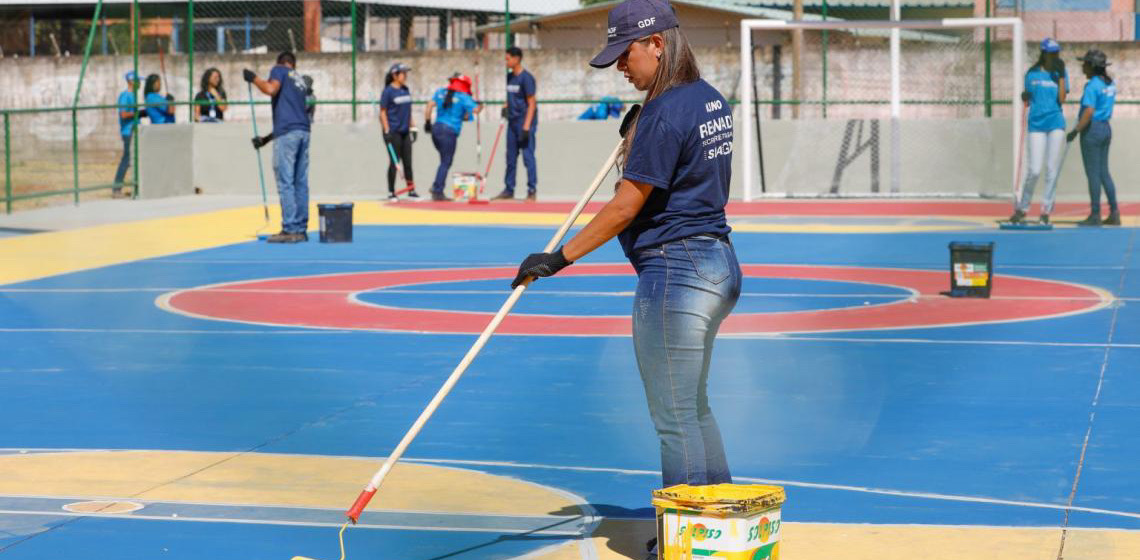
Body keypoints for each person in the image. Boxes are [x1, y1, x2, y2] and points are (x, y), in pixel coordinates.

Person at [510, 0, 740, 531]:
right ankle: (719, 525)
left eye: (625, 53)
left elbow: (625, 206)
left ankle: (684, 535)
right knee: (693, 406)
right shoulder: (709, 100)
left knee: (674, 416)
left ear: (657, 43)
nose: (620, 66)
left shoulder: (664, 112)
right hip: (718, 263)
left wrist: (556, 258)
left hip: (676, 271)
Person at [245, 51, 312, 243]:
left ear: (281, 63)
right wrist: (266, 140)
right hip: (304, 133)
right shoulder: (299, 81)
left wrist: (253, 78)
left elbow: (270, 90)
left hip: (288, 135)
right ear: (294, 64)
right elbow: (293, 117)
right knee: (300, 181)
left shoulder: (279, 70)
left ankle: (289, 228)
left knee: (285, 181)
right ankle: (300, 229)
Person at [1010, 38, 1068, 225]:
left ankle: (1045, 210)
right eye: (1051, 52)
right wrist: (1024, 96)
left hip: (1055, 124)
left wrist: (1059, 76)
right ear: (1043, 53)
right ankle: (1023, 208)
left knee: (1051, 169)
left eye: (1056, 52)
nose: (1054, 56)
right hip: (1036, 124)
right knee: (1034, 170)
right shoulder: (1032, 74)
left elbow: (1062, 99)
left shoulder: (1060, 73)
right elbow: (1026, 96)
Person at [1067, 49, 1120, 226]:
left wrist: (1076, 130)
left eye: (1085, 63)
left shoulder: (1092, 86)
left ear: (1092, 66)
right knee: (1104, 172)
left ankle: (1095, 214)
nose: (1083, 66)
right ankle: (1114, 212)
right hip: (1106, 128)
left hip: (1092, 130)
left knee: (1093, 174)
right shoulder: (1110, 83)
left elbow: (1089, 111)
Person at [424, 74, 482, 202]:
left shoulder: (440, 92)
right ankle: (437, 190)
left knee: (444, 161)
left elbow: (429, 106)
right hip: (449, 133)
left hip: (436, 129)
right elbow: (475, 111)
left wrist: (427, 123)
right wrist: (480, 105)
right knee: (446, 162)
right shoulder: (464, 97)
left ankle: (436, 185)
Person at [493, 46, 538, 201]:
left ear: (516, 58)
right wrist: (505, 107)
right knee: (510, 157)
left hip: (524, 123)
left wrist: (526, 127)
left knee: (528, 157)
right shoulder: (509, 77)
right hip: (511, 123)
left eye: (508, 58)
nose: (506, 62)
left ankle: (532, 190)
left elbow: (532, 103)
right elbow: (511, 97)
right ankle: (508, 189)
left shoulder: (527, 78)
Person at [380, 62, 420, 201]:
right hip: (393, 132)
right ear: (395, 75)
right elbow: (383, 112)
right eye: (403, 73)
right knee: (394, 162)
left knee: (408, 162)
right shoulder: (388, 92)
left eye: (406, 73)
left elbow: (408, 111)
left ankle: (411, 190)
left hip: (405, 131)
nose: (405, 76)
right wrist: (386, 131)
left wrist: (413, 127)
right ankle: (391, 191)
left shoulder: (405, 89)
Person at [113, 71, 142, 197]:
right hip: (128, 132)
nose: (140, 83)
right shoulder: (125, 96)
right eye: (138, 80)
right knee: (126, 159)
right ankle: (116, 189)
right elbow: (123, 114)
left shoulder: (133, 96)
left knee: (135, 159)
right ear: (131, 81)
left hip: (135, 130)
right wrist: (136, 113)